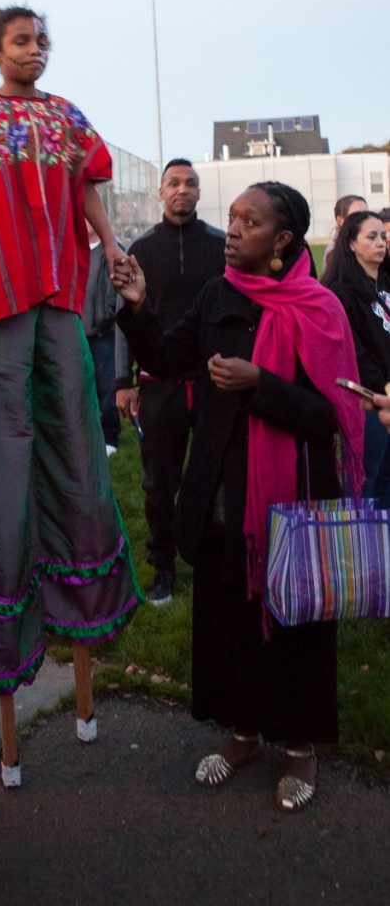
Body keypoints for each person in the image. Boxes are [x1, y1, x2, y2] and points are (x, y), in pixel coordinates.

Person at [113, 181, 364, 812]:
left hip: (296, 497)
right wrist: (140, 308)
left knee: (296, 619)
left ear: (282, 241)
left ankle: (300, 744)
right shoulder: (217, 293)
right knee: (228, 617)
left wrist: (262, 384)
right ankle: (245, 731)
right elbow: (169, 359)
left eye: (248, 222)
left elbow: (328, 416)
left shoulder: (320, 308)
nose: (231, 229)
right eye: (230, 218)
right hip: (224, 489)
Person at [0, 5, 142, 784]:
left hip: (58, 295)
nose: (36, 51)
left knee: (77, 456)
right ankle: (1, 656)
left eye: (42, 40)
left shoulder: (67, 119)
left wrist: (111, 240)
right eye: (22, 40)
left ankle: (82, 635)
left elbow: (91, 193)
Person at [115, 158, 226, 604]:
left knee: (215, 474)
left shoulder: (221, 245)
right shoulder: (139, 248)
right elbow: (124, 316)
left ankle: (210, 556)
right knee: (159, 483)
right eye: (174, 183)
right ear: (159, 193)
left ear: (199, 193)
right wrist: (125, 380)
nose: (183, 189)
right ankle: (162, 565)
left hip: (213, 381)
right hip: (159, 384)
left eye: (191, 183)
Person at [323, 210, 390, 506]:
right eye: (371, 237)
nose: (381, 243)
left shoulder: (385, 283)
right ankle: (362, 546)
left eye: (383, 237)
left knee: (388, 477)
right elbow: (353, 352)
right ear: (351, 243)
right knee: (367, 476)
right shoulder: (341, 292)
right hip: (368, 401)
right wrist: (383, 387)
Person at [82, 221, 122, 454]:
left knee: (107, 387)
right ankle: (85, 432)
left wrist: (108, 317)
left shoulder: (112, 251)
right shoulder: (73, 249)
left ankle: (110, 437)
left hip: (103, 332)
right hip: (78, 329)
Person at [321, 194, 368, 272]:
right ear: (340, 220)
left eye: (366, 214)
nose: (364, 219)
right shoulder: (335, 251)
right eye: (357, 215)